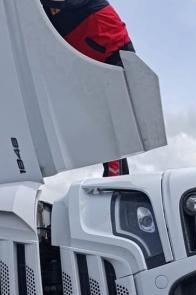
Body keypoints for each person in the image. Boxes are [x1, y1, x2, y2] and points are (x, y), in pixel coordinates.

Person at [42, 0, 134, 177]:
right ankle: (114, 177)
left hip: (113, 54)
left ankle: (114, 178)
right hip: (88, 61)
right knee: (102, 125)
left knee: (111, 124)